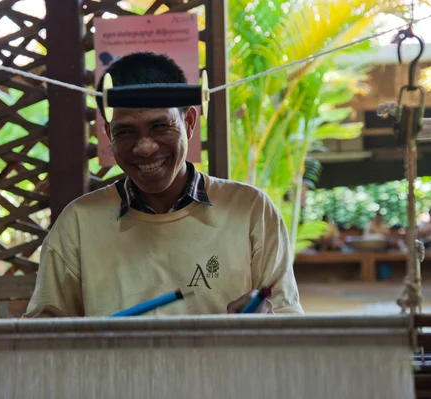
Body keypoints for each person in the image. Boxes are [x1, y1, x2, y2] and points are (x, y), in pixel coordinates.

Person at [24, 52, 303, 318]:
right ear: (109, 134)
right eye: (125, 131)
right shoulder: (78, 223)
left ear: (190, 121)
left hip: (224, 369)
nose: (144, 148)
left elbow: (288, 321)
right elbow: (45, 330)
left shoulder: (250, 210)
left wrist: (266, 319)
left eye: (160, 127)